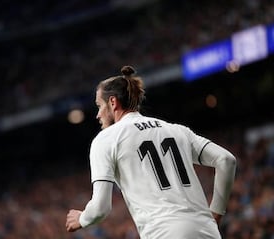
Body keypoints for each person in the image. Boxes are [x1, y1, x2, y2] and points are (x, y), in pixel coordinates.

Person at [66, 65, 236, 238]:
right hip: (207, 230)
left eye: (99, 106)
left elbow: (100, 209)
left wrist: (81, 218)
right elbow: (226, 160)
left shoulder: (106, 139)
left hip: (164, 232)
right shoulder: (176, 130)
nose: (98, 115)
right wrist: (216, 213)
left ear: (112, 102)